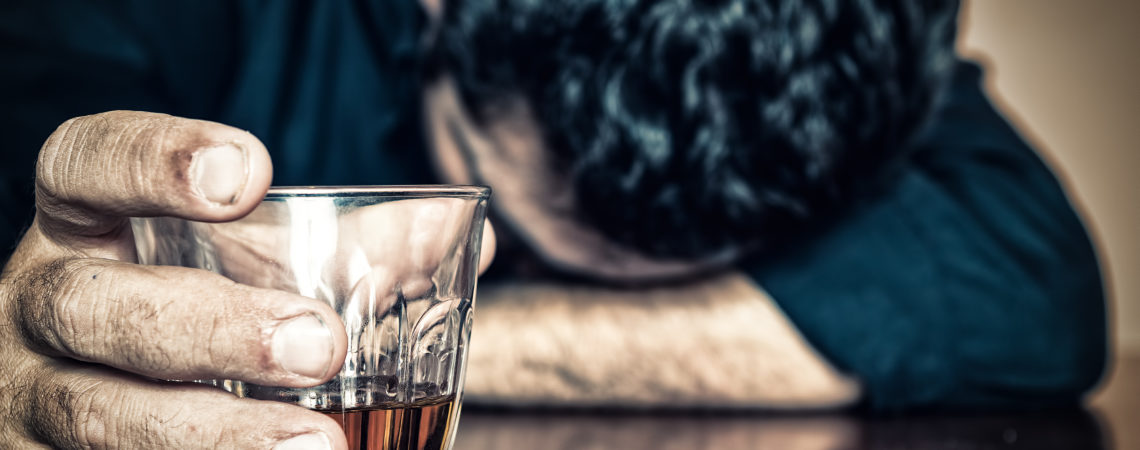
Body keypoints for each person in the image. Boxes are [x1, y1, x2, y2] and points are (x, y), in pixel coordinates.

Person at [0, 0, 1105, 448]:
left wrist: (375, 352)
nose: (505, 266)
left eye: (656, 277)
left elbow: (1030, 293)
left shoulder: (815, 38)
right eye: (501, 210)